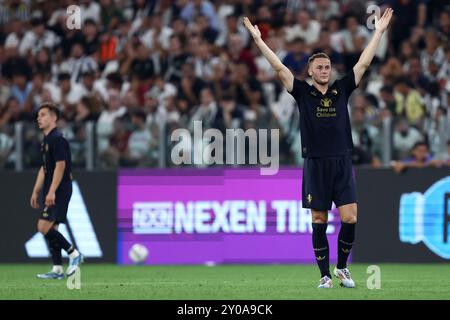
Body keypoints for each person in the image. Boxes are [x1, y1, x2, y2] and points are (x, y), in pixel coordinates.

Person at [244, 8, 394, 288]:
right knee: (319, 220)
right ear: (310, 72)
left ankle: (342, 268)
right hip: (315, 162)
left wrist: (379, 33)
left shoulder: (341, 89)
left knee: (350, 217)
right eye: (319, 68)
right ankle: (324, 275)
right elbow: (278, 67)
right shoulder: (302, 92)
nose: (324, 71)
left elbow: (363, 63)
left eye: (327, 67)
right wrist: (259, 41)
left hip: (341, 160)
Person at [30, 102, 83, 279]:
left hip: (60, 188)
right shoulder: (46, 140)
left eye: (43, 114)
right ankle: (57, 269)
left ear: (54, 118)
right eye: (39, 115)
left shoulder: (57, 139)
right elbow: (44, 168)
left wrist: (52, 191)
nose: (39, 117)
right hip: (53, 187)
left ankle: (74, 253)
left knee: (43, 226)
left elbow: (61, 166)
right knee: (52, 228)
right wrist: (36, 190)